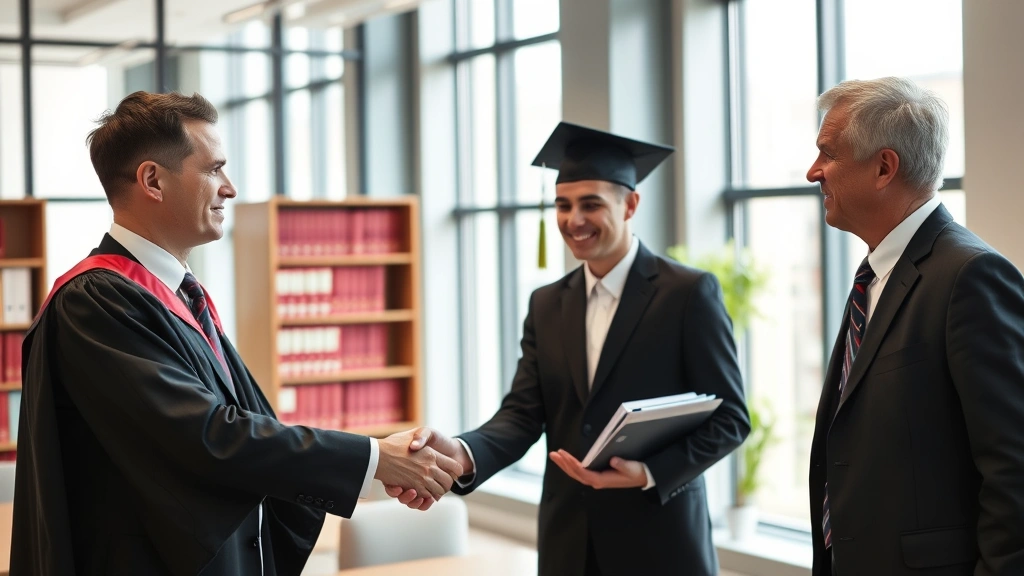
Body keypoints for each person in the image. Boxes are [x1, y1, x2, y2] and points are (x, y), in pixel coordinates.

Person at [10, 91, 463, 576]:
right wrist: (374, 458)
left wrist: (379, 465)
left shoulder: (179, 295)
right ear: (153, 180)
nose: (229, 188)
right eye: (213, 169)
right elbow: (207, 435)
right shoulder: (96, 301)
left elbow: (248, 421)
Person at [388, 122, 750, 576]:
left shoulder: (687, 293)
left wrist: (650, 471)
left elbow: (731, 418)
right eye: (563, 205)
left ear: (631, 203)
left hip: (660, 541)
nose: (573, 219)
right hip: (569, 544)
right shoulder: (547, 303)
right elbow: (521, 415)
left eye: (590, 204)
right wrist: (461, 452)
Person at [805, 77, 1024, 575]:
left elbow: (1014, 473)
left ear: (884, 167)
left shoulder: (970, 276)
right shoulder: (875, 275)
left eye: (827, 154)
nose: (812, 171)